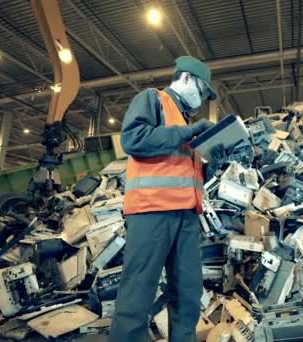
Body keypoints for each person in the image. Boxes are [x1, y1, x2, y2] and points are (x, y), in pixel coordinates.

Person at [109, 56, 216, 342]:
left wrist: (213, 161)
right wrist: (188, 132)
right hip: (151, 211)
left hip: (186, 216)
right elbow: (133, 140)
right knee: (139, 291)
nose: (202, 99)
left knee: (188, 291)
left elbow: (183, 169)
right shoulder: (153, 100)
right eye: (203, 91)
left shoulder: (184, 121)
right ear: (185, 79)